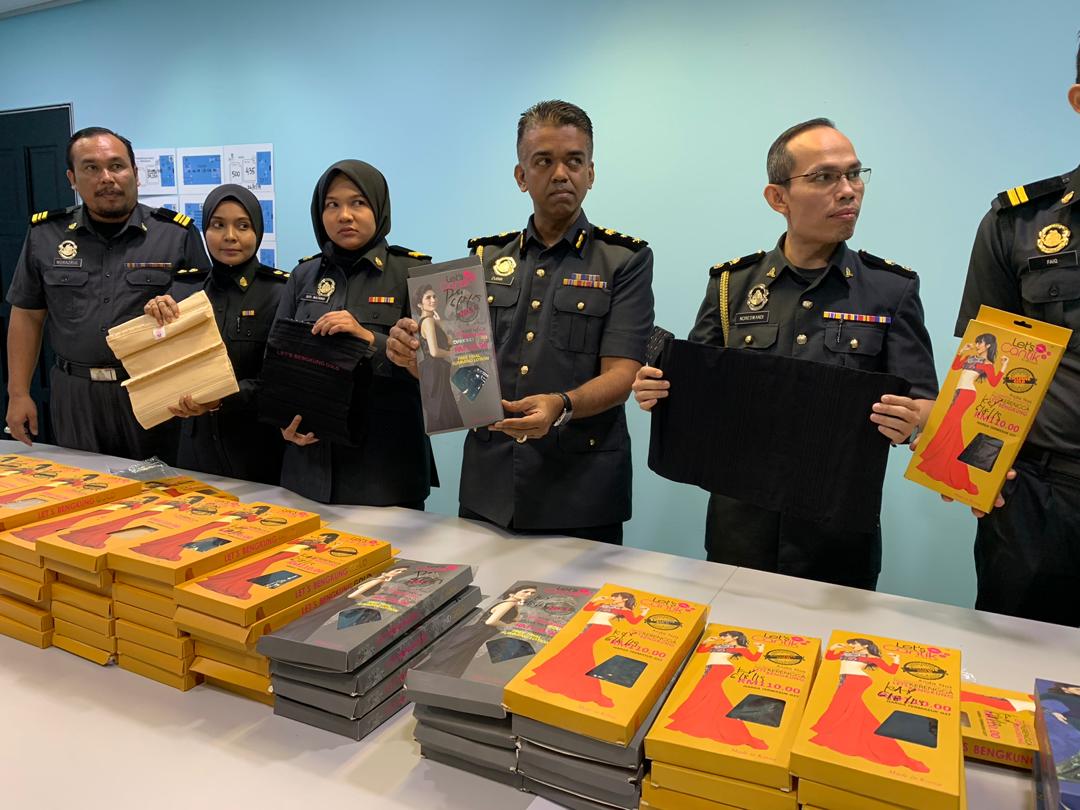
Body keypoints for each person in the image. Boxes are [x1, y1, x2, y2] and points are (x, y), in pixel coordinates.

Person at [633, 118, 938, 590]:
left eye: (854, 174)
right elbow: (698, 392)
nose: (848, 191)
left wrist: (914, 422)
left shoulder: (890, 290)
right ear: (778, 198)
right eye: (824, 177)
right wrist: (659, 389)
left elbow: (926, 404)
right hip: (739, 533)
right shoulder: (732, 285)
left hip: (838, 540)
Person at [387, 100, 654, 543]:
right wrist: (421, 361)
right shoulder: (483, 259)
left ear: (591, 172)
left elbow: (623, 373)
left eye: (574, 160)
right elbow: (459, 372)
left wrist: (560, 405)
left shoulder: (624, 260)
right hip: (488, 485)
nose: (561, 173)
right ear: (521, 175)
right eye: (543, 161)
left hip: (582, 488)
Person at [952, 39, 1080, 627]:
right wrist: (973, 469)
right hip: (1042, 496)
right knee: (1017, 679)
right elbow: (984, 362)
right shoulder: (1022, 222)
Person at [5, 126, 210, 461]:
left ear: (135, 174)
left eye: (117, 166)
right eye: (91, 168)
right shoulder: (45, 235)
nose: (106, 177)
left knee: (160, 493)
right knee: (81, 489)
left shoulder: (176, 234)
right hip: (75, 395)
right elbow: (27, 315)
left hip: (152, 387)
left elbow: (199, 321)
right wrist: (17, 394)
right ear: (72, 178)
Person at [275, 159, 435, 506]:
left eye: (357, 203)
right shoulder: (302, 276)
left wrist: (367, 339)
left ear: (378, 206)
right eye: (332, 205)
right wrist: (283, 423)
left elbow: (441, 377)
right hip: (308, 467)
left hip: (385, 470)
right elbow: (276, 363)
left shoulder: (416, 273)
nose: (344, 215)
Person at [142, 184, 287, 485]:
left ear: (257, 232)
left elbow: (278, 383)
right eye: (218, 225)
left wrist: (219, 399)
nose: (230, 236)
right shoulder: (183, 290)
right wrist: (153, 321)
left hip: (257, 449)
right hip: (195, 447)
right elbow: (163, 365)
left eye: (243, 226)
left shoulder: (279, 293)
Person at [809, 639, 929, 772]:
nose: (852, 646)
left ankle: (836, 733)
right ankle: (880, 743)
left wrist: (896, 660)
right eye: (851, 644)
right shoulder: (848, 654)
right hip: (845, 680)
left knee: (842, 706)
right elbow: (830, 657)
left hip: (856, 681)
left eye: (855, 644)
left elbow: (891, 671)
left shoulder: (872, 658)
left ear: (865, 645)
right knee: (850, 709)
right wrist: (833, 647)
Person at [914, 334, 1006, 495]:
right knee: (950, 426)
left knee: (951, 425)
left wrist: (1004, 366)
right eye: (977, 342)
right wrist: (962, 351)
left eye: (980, 343)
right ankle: (943, 461)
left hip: (967, 395)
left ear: (989, 346)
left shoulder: (988, 364)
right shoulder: (972, 359)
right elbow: (956, 367)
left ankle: (955, 470)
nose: (977, 345)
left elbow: (994, 383)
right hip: (957, 392)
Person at [524, 591, 644, 707]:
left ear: (625, 599)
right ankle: (563, 679)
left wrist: (644, 613)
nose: (613, 598)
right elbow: (587, 609)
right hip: (589, 627)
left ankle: (588, 690)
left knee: (576, 652)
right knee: (576, 653)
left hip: (600, 628)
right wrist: (596, 600)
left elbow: (633, 622)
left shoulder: (625, 610)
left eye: (616, 597)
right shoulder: (607, 605)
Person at [665, 631, 767, 748]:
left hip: (720, 669)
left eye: (725, 636)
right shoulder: (719, 645)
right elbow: (700, 651)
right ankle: (716, 720)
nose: (723, 638)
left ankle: (730, 728)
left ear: (735, 637)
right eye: (722, 636)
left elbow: (753, 659)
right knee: (711, 695)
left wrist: (761, 648)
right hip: (710, 668)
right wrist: (707, 642)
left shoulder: (740, 648)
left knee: (704, 692)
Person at [413, 283, 464, 432]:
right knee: (443, 413)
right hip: (435, 371)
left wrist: (439, 322)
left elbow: (448, 342)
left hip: (436, 370)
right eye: (428, 297)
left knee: (443, 413)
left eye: (434, 296)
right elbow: (435, 352)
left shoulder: (431, 321)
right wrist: (453, 354)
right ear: (419, 304)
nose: (433, 300)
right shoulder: (428, 322)